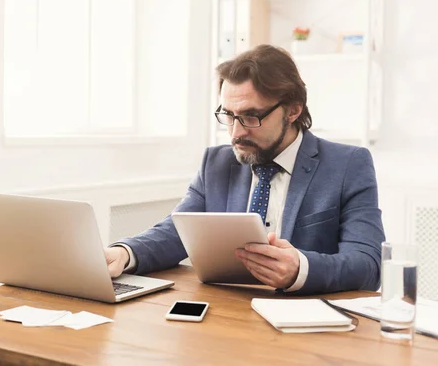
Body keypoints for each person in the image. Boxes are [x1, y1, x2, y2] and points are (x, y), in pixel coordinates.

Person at [105, 44, 385, 294]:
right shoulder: (216, 163)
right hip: (227, 313)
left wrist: (301, 269)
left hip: (307, 322)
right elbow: (176, 231)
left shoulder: (348, 165)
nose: (236, 133)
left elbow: (368, 264)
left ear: (293, 110)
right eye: (228, 115)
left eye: (251, 116)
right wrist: (124, 253)